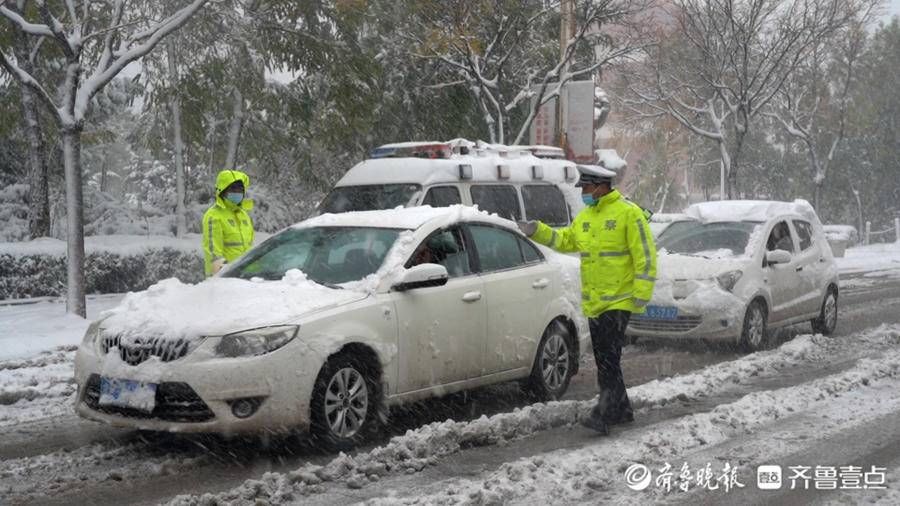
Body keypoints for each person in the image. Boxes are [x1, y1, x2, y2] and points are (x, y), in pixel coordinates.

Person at [518, 164, 657, 435]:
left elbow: (646, 256)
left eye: (586, 187)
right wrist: (537, 230)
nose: (583, 192)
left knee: (607, 359)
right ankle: (623, 409)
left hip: (619, 300)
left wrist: (641, 293)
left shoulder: (629, 214)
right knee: (607, 357)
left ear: (601, 186)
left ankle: (603, 412)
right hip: (595, 302)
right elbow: (566, 241)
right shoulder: (587, 217)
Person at [202, 170, 255, 277]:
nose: (238, 192)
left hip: (246, 277)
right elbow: (213, 252)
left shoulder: (243, 215)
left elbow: (250, 248)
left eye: (240, 189)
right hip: (226, 278)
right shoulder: (214, 215)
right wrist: (221, 277)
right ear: (223, 190)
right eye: (233, 189)